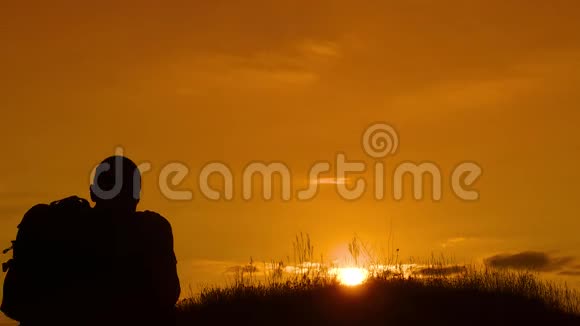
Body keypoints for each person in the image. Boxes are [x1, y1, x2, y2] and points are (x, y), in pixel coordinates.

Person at [2, 156, 180, 325]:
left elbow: (15, 304)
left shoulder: (58, 225)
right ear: (137, 197)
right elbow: (169, 295)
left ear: (93, 193)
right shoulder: (153, 230)